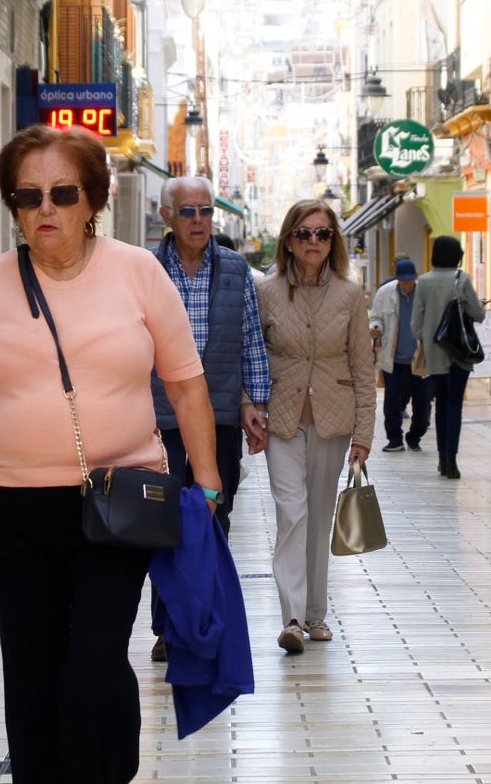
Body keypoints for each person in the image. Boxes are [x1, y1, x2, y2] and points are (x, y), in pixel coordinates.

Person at [0, 125, 223, 784]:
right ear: (14, 207)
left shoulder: (139, 273)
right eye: (29, 197)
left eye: (62, 193)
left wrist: (206, 485)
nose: (46, 210)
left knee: (93, 661)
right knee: (32, 665)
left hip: (121, 500)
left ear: (92, 201)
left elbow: (186, 384)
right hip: (10, 508)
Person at [147, 175, 271, 661]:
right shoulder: (145, 269)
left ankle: (201, 621)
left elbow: (251, 341)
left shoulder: (237, 270)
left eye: (205, 212)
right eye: (188, 212)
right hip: (157, 419)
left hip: (217, 415)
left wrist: (255, 405)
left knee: (213, 520)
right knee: (162, 523)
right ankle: (169, 626)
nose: (198, 221)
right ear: (167, 219)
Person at [256, 200, 376, 653]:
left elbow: (364, 369)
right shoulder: (266, 292)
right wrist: (251, 404)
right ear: (288, 239)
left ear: (333, 242)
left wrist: (363, 435)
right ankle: (290, 617)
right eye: (304, 233)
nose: (313, 242)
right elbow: (252, 357)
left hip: (333, 419)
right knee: (293, 513)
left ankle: (315, 614)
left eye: (323, 234)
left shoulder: (349, 293)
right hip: (281, 419)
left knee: (320, 517)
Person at [411, 236, 485, 479]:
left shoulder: (423, 282)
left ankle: (442, 458)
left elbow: (415, 324)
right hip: (459, 355)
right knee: (455, 406)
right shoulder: (461, 279)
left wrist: (428, 338)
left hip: (435, 353)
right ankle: (451, 460)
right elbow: (477, 313)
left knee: (441, 404)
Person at [370, 258, 431, 452]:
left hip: (419, 358)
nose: (407, 284)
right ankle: (394, 439)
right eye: (403, 280)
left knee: (423, 404)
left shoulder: (425, 292)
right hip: (393, 358)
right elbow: (376, 318)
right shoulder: (385, 293)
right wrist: (375, 328)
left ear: (415, 277)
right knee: (392, 402)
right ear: (397, 279)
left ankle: (415, 435)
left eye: (410, 280)